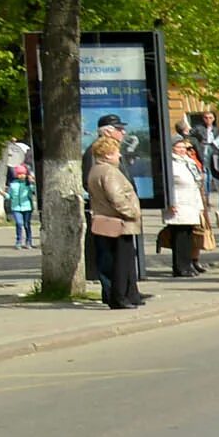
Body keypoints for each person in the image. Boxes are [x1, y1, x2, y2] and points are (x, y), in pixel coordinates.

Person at [84, 123, 144, 309]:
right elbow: (116, 198)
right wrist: (133, 212)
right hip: (119, 223)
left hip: (106, 221)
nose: (119, 155)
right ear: (108, 154)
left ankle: (127, 295)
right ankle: (120, 297)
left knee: (116, 260)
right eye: (116, 152)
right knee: (121, 262)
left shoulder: (96, 170)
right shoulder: (109, 171)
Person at [162, 135, 207, 277]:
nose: (182, 150)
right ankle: (180, 267)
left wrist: (200, 205)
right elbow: (166, 184)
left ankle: (188, 264)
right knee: (179, 236)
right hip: (178, 203)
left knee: (188, 235)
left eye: (184, 147)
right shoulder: (169, 163)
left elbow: (196, 183)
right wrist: (170, 202)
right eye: (178, 147)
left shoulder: (188, 162)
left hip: (190, 202)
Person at [6, 162, 35, 248]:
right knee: (19, 223)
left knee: (26, 224)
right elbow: (9, 196)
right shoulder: (13, 184)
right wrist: (4, 195)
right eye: (19, 174)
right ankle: (19, 241)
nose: (21, 176)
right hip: (16, 207)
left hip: (27, 207)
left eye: (23, 174)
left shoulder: (28, 184)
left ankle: (28, 241)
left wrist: (31, 183)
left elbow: (33, 192)